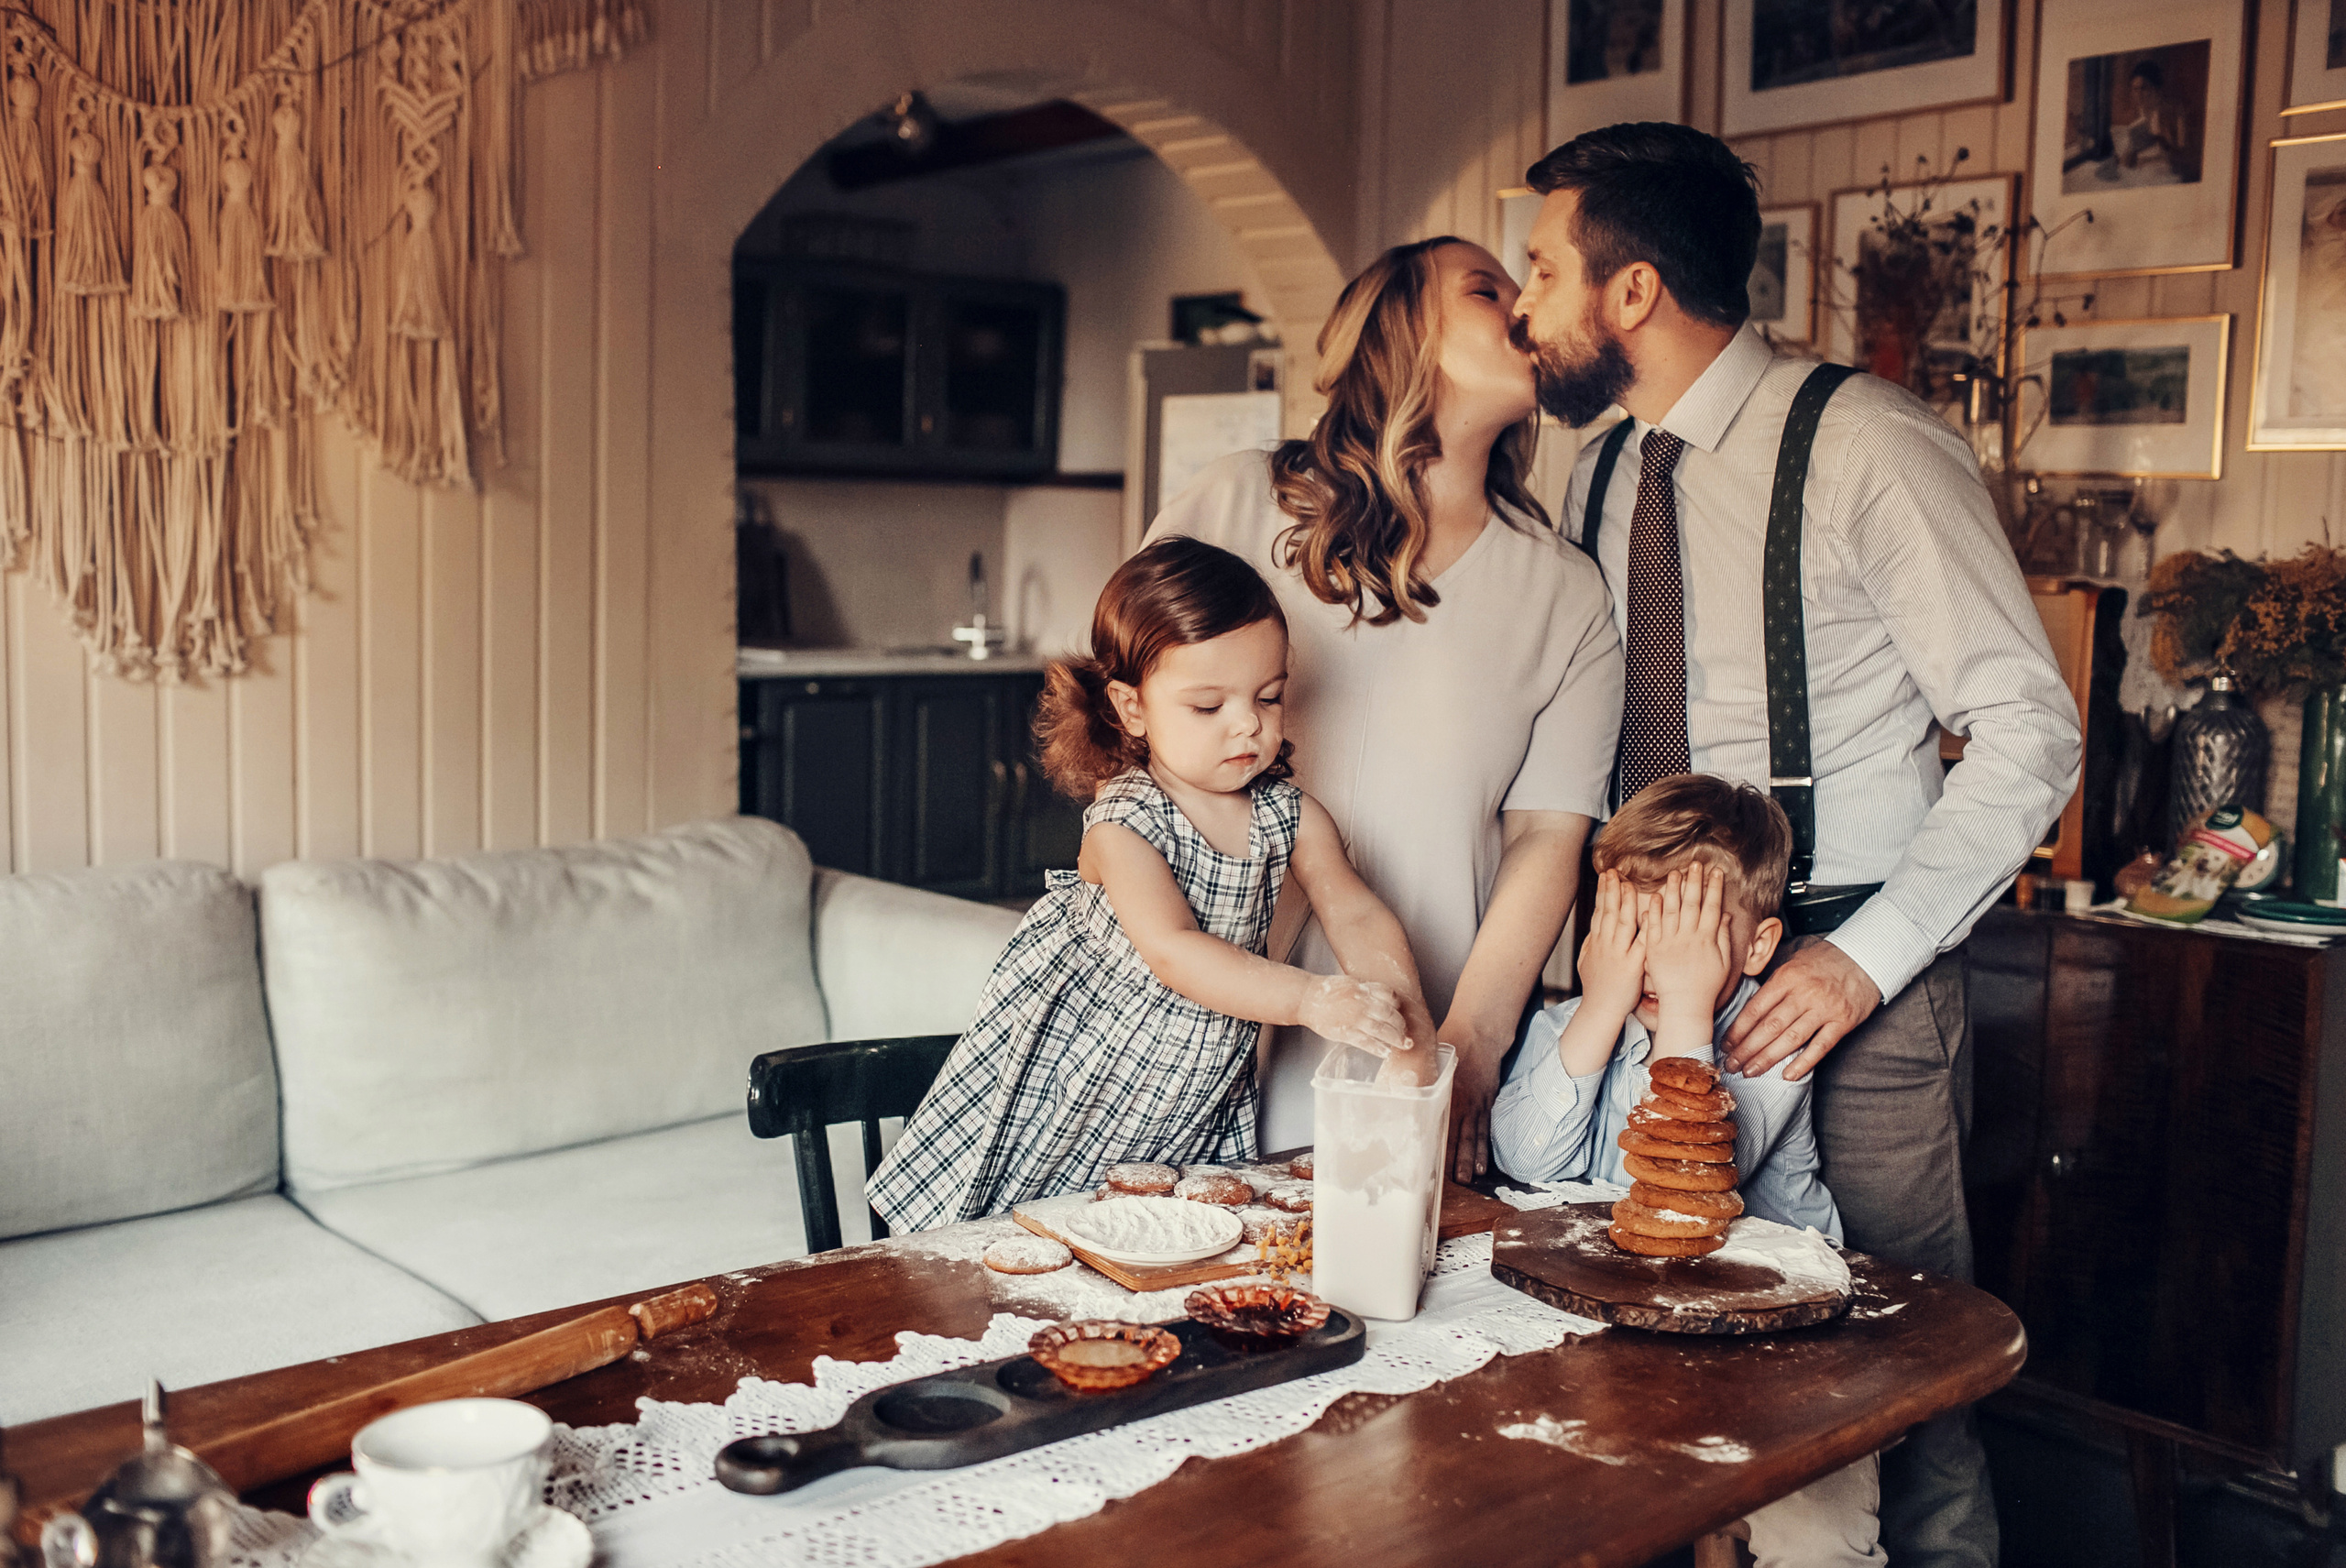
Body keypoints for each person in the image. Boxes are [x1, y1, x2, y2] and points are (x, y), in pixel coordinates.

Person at [1511, 121, 2080, 1568]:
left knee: (1911, 1374)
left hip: (1864, 979)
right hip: (1645, 985)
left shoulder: (1875, 446)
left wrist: (1861, 960)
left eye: (1539, 267)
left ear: (1629, 290)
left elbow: (2029, 730)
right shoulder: (1587, 474)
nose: (1525, 305)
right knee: (1646, 1350)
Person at [1152, 236, 1623, 1179]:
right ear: (1397, 329)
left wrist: (1473, 1048)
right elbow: (1123, 735)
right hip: (1195, 1026)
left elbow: (1545, 838)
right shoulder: (1239, 500)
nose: (1525, 307)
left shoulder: (1567, 590)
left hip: (1417, 1045)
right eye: (1488, 289)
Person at [867, 537, 1438, 1234]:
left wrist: (1408, 1025)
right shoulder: (1124, 818)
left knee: (1158, 1236)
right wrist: (1313, 998)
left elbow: (1356, 911)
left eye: (1269, 696)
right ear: (1132, 707)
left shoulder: (1289, 814)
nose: (1248, 723)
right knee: (1028, 1230)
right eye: (1207, 706)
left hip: (1189, 1082)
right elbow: (1173, 949)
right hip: (1083, 1069)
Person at [1491, 773, 1879, 1568]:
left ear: (1757, 946)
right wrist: (1599, 1005)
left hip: (1780, 1350)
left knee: (1820, 1540)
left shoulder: (1773, 1044)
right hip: (1627, 1333)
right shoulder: (1574, 1020)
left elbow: (1681, 1197)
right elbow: (1524, 1158)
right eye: (1638, 926)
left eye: (1689, 934)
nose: (1660, 963)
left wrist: (1692, 1007)